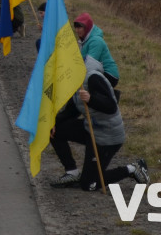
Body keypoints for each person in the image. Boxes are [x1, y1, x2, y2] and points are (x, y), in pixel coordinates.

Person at [49, 56, 149, 191]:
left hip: (108, 137)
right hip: (90, 129)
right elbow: (70, 112)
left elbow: (111, 106)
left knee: (89, 184)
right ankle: (72, 172)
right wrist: (52, 122)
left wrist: (91, 99)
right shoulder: (75, 83)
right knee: (55, 130)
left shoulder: (93, 78)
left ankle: (132, 168)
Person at [73, 13, 120, 86]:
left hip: (109, 75)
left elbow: (90, 65)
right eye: (76, 27)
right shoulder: (85, 41)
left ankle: (110, 96)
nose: (77, 30)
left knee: (91, 83)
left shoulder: (96, 41)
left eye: (79, 27)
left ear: (87, 27)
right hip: (98, 72)